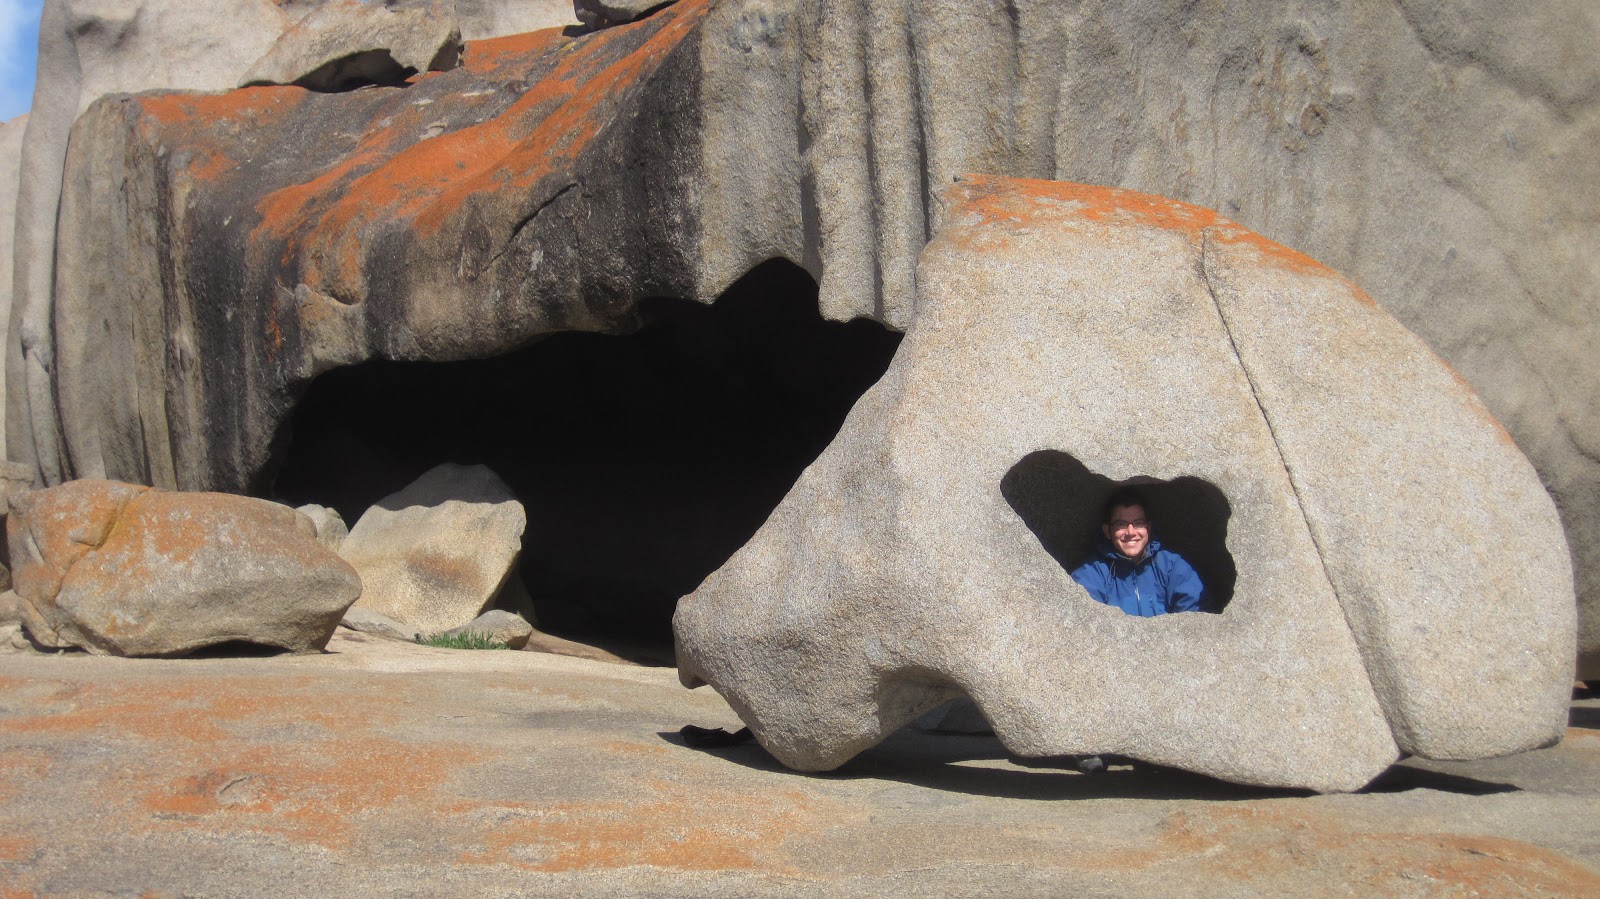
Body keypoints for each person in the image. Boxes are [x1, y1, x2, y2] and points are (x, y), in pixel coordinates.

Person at [1069, 488, 1205, 617]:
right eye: (1121, 524)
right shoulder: (1093, 573)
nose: (1131, 532)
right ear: (1107, 531)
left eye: (1138, 523)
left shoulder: (1171, 566)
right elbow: (1083, 616)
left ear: (1148, 528)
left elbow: (1194, 612)